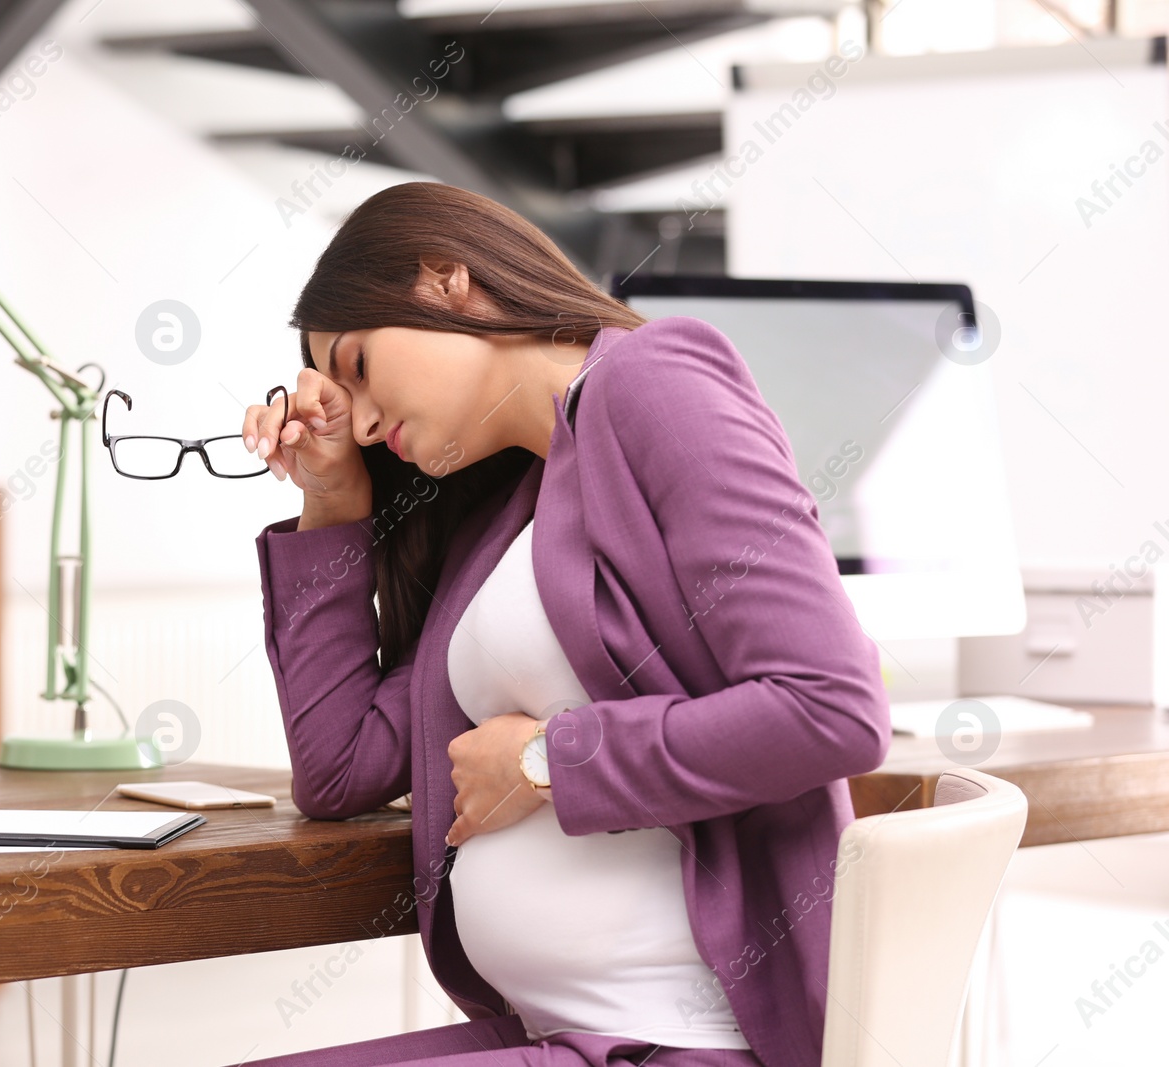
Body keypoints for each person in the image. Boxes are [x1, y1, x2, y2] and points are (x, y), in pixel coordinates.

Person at [235, 182, 889, 1067]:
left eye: (356, 364)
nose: (361, 413)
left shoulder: (655, 382)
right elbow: (339, 765)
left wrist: (549, 760)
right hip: (556, 1032)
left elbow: (832, 706)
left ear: (444, 280)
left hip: (683, 1042)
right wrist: (332, 495)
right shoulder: (506, 507)